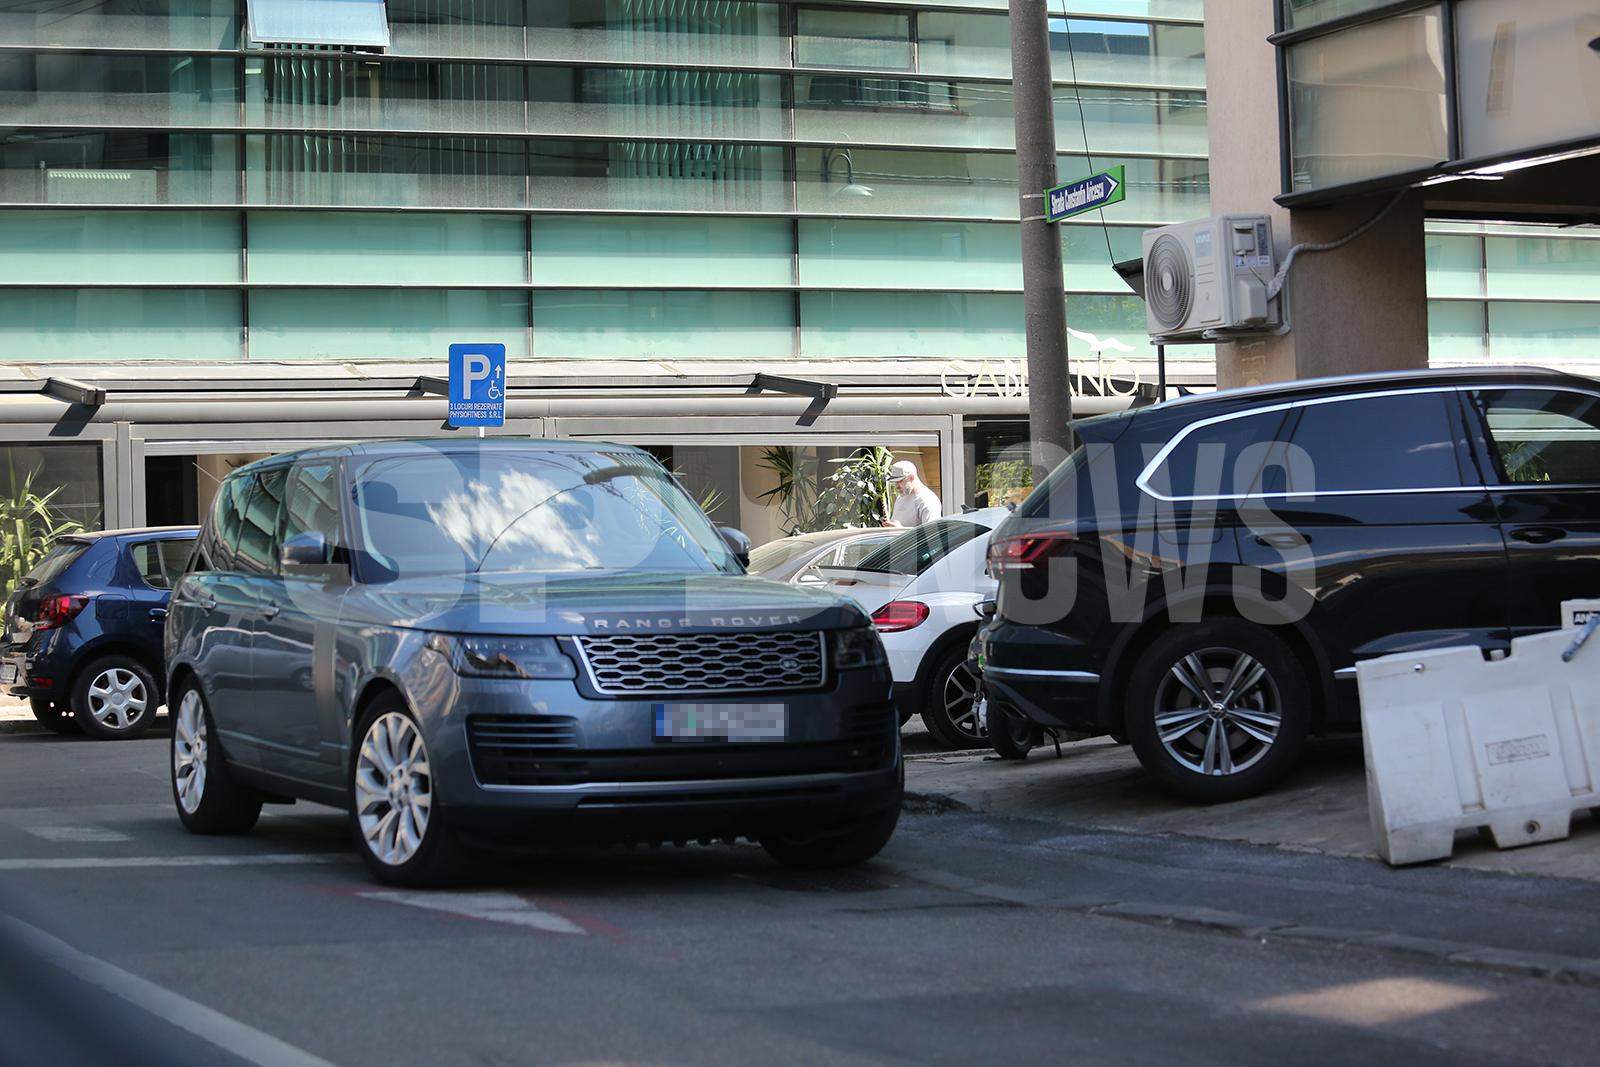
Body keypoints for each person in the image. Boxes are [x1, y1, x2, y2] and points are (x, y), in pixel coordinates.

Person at [883, 459, 943, 528]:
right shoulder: (901, 497)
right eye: (895, 482)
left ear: (911, 477)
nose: (896, 486)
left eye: (899, 481)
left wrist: (900, 530)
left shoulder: (928, 500)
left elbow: (932, 535)